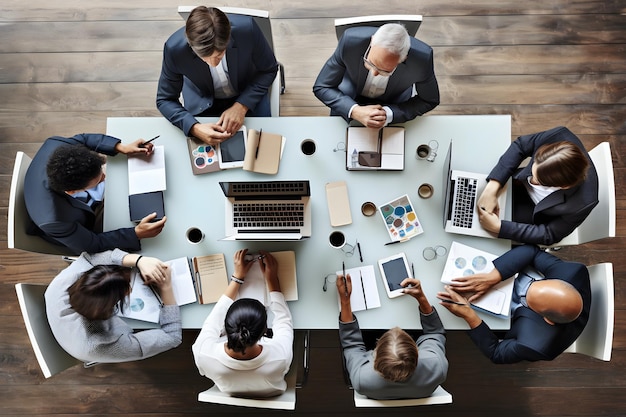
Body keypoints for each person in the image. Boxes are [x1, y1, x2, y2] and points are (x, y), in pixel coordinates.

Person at [438, 244, 591, 364]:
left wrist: (469, 315)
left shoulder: (535, 345)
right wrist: (493, 277)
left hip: (507, 317)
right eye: (534, 283)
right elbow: (532, 251)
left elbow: (495, 353)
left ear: (547, 319)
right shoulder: (572, 272)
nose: (522, 289)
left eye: (526, 296)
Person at [24, 133, 166, 254]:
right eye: (99, 180)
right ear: (72, 191)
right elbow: (93, 245)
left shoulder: (55, 144)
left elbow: (83, 139)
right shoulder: (55, 221)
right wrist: (136, 234)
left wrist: (122, 147)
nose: (104, 177)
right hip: (78, 232)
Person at [157, 6, 278, 146]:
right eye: (205, 58)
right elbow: (165, 99)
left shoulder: (247, 30)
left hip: (248, 94)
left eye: (219, 55)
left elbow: (269, 69)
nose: (213, 64)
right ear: (190, 45)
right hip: (202, 103)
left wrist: (241, 105)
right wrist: (194, 128)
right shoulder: (174, 50)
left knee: (263, 149)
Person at [45, 250, 182, 363]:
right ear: (111, 306)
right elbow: (172, 336)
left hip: (64, 329)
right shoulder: (103, 345)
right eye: (128, 287)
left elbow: (90, 259)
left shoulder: (61, 284)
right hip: (85, 347)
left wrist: (138, 260)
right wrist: (166, 288)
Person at [192, 249, 293, 397]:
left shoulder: (204, 354)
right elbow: (284, 321)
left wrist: (237, 278)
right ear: (266, 332)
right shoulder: (280, 357)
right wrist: (272, 280)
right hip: (271, 393)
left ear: (225, 326)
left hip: (229, 391)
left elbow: (213, 320)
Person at [477, 126, 598, 246]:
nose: (530, 180)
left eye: (539, 181)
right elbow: (521, 145)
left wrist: (499, 228)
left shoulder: (584, 203)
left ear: (565, 186)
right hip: (511, 183)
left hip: (531, 212)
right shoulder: (558, 136)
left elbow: (550, 234)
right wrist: (492, 187)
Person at [337, 275, 447, 400]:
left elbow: (352, 345)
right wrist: (421, 298)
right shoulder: (436, 367)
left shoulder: (361, 379)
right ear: (417, 352)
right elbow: (434, 333)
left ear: (375, 354)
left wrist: (345, 302)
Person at [313, 23, 439, 128]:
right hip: (349, 95)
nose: (374, 73)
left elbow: (429, 100)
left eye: (385, 71)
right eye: (370, 63)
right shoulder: (349, 41)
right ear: (372, 40)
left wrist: (390, 114)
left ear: (403, 58)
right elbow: (322, 86)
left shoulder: (423, 60)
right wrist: (354, 111)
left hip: (394, 102)